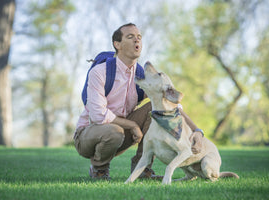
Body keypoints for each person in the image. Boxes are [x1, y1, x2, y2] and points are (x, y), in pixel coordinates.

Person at [73, 23, 203, 180]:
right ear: (117, 44)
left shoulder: (141, 75)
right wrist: (133, 125)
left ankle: (142, 169)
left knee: (153, 109)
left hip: (120, 134)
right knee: (115, 131)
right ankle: (99, 169)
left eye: (139, 37)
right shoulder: (100, 72)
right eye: (130, 37)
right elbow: (98, 115)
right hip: (88, 135)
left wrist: (196, 130)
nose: (137, 40)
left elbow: (170, 105)